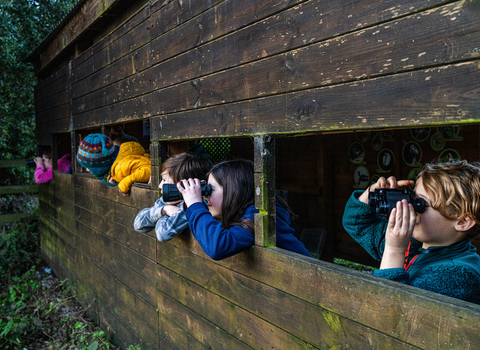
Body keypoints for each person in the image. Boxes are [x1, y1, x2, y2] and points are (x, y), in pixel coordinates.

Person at [342, 160, 480, 304]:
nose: (410, 208)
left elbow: (387, 309)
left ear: (463, 222)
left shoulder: (458, 276)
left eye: (421, 204)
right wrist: (372, 193)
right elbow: (356, 223)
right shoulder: (414, 244)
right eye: (411, 197)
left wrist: (394, 250)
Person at [177, 159, 313, 260]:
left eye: (210, 190)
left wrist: (195, 204)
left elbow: (217, 246)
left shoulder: (257, 216)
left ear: (234, 192)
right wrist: (191, 203)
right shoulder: (241, 214)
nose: (205, 196)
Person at [134, 152, 212, 242]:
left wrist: (163, 215)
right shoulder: (165, 202)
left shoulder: (194, 207)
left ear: (184, 184)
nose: (160, 186)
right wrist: (164, 210)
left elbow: (162, 233)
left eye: (164, 180)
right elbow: (138, 224)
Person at [76, 133, 150, 195]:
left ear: (100, 165)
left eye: (89, 166)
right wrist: (113, 176)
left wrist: (125, 183)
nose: (87, 169)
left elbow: (149, 171)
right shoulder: (121, 156)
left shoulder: (120, 167)